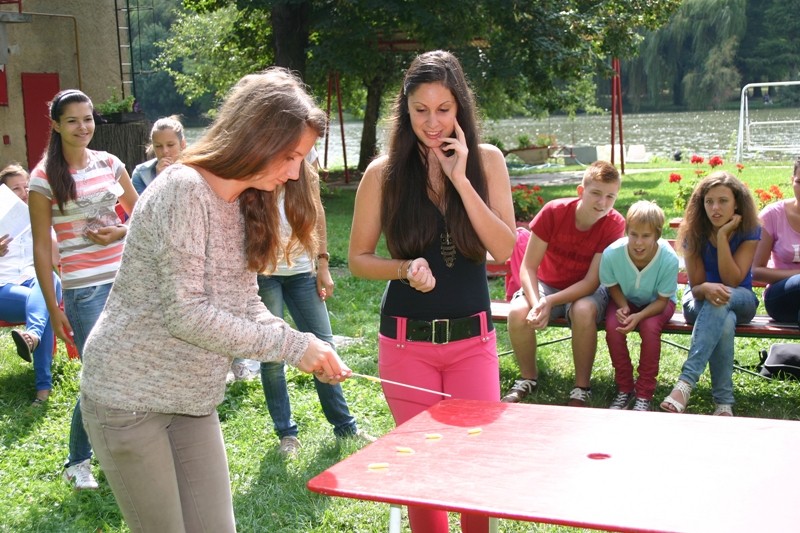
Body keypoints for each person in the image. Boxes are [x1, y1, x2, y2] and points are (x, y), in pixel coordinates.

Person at [78, 68, 350, 533]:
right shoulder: (184, 190)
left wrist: (302, 342)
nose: (292, 172)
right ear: (256, 138)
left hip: (192, 400)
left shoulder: (245, 199)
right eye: (289, 157)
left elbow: (243, 300)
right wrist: (292, 348)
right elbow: (187, 313)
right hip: (128, 398)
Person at [348, 50, 516, 533]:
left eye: (443, 109)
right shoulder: (383, 173)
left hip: (473, 343)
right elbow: (359, 259)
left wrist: (462, 181)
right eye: (421, 110)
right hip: (405, 346)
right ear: (406, 109)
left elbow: (503, 248)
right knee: (422, 472)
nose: (433, 121)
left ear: (460, 107)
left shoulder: (487, 162)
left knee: (472, 469)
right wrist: (402, 268)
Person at [28, 89, 138, 490]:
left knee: (128, 370)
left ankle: (122, 449)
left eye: (88, 119)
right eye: (72, 120)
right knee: (100, 375)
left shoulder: (110, 163)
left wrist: (119, 231)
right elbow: (42, 248)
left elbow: (140, 213)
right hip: (84, 290)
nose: (83, 127)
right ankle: (78, 461)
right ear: (56, 125)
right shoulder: (42, 178)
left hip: (127, 282)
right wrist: (51, 305)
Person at [253, 147, 373, 456]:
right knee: (272, 357)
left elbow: (317, 211)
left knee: (325, 348)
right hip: (265, 273)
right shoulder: (257, 156)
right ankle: (287, 435)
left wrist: (322, 265)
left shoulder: (305, 158)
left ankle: (346, 427)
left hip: (303, 273)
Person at [502, 161, 625, 406]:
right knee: (518, 312)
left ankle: (581, 387)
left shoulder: (614, 224)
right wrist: (538, 303)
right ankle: (528, 377)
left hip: (585, 289)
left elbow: (591, 282)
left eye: (610, 196)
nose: (602, 203)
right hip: (546, 284)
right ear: (581, 191)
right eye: (596, 194)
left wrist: (550, 302)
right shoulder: (554, 211)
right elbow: (528, 267)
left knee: (582, 310)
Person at [660, 171, 760, 417]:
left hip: (741, 298)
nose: (715, 208)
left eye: (723, 201)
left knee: (723, 297)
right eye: (709, 201)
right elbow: (697, 286)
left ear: (736, 203)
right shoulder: (693, 230)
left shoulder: (750, 229)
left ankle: (684, 385)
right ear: (701, 203)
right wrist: (705, 288)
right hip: (699, 300)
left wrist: (723, 236)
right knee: (722, 317)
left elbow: (733, 280)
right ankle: (723, 404)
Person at [599, 200, 679, 411]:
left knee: (650, 327)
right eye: (633, 234)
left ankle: (644, 392)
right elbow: (612, 284)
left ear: (657, 236)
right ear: (626, 232)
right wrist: (623, 305)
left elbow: (662, 300)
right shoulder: (612, 254)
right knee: (613, 327)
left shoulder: (668, 259)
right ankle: (624, 389)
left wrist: (640, 316)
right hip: (624, 299)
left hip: (657, 303)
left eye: (646, 236)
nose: (638, 242)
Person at [0, 164, 61, 405]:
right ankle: (43, 388)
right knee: (43, 300)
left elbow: (56, 258)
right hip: (4, 288)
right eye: (16, 189)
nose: (24, 192)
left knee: (49, 280)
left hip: (32, 281)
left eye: (27, 186)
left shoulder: (37, 215)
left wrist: (46, 226)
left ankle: (32, 336)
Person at [752, 159, 800, 324]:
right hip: (781, 297)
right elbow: (756, 271)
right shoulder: (773, 215)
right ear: (792, 180)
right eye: (799, 182)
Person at [130, 115, 186, 195]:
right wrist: (159, 180)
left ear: (183, 144)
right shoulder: (141, 174)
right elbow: (143, 207)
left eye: (170, 145)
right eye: (158, 146)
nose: (165, 151)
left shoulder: (197, 169)